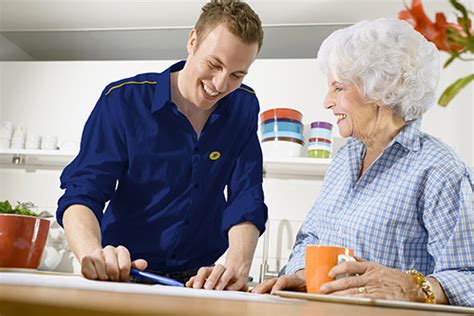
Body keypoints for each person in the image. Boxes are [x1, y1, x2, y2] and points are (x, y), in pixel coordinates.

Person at [252, 18, 474, 306]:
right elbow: (311, 237)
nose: (326, 101)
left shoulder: (438, 169)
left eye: (338, 88)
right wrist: (302, 273)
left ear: (379, 90)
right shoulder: (345, 158)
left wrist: (415, 287)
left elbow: (469, 275)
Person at [56, 0, 267, 291]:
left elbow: (246, 194)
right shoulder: (123, 101)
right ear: (192, 40)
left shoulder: (243, 106)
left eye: (236, 75)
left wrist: (238, 265)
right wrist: (93, 254)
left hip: (200, 282)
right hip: (125, 272)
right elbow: (83, 191)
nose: (220, 84)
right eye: (214, 64)